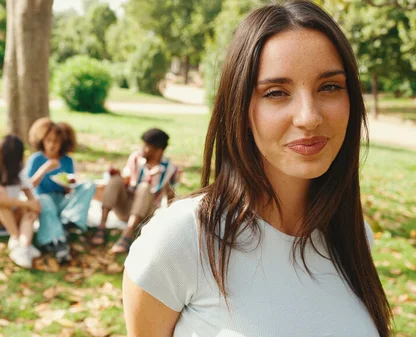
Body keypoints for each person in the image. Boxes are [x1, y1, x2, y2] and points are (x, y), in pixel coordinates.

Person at [122, 1, 392, 337]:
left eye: (330, 87)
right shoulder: (180, 240)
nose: (309, 117)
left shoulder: (354, 235)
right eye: (276, 92)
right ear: (239, 108)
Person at [91, 128, 177, 254]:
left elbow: (170, 195)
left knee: (144, 187)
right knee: (115, 180)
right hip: (125, 205)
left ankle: (126, 236)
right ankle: (101, 227)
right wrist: (118, 175)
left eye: (147, 146)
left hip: (145, 212)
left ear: (158, 150)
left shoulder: (170, 169)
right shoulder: (136, 158)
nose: (143, 149)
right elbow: (126, 179)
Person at [26, 117, 96, 264]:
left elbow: (69, 187)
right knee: (45, 201)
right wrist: (44, 169)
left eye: (56, 142)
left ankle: (69, 222)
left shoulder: (67, 161)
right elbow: (27, 186)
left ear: (63, 143)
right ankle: (58, 242)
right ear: (42, 140)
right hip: (43, 201)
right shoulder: (36, 159)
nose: (52, 145)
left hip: (61, 201)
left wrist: (68, 185)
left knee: (89, 185)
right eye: (48, 140)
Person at [0, 135, 41, 269]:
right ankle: (17, 238)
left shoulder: (18, 169)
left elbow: (30, 193)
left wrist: (33, 208)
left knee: (26, 208)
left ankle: (24, 246)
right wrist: (27, 204)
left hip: (11, 216)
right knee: (1, 196)